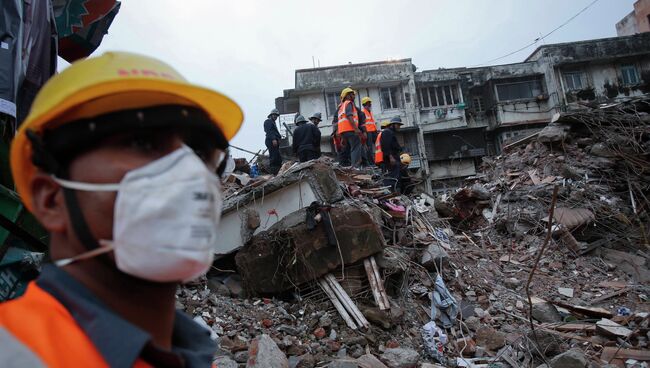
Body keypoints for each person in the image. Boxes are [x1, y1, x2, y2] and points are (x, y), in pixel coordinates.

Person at [0, 51, 243, 367]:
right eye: (142, 142)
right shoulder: (15, 352)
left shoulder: (196, 356)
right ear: (52, 199)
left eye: (198, 151)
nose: (189, 172)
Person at [335, 87, 363, 168]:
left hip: (344, 132)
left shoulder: (341, 107)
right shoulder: (349, 103)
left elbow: (340, 121)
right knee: (355, 148)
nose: (354, 96)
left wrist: (343, 137)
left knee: (351, 148)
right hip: (351, 130)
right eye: (352, 94)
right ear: (347, 96)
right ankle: (355, 167)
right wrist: (356, 129)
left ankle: (351, 166)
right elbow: (349, 116)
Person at [380, 116, 404, 191]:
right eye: (398, 125)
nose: (399, 127)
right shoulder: (387, 132)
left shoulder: (391, 133)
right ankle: (390, 192)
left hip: (394, 158)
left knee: (396, 177)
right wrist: (390, 157)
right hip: (390, 160)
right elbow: (386, 146)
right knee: (391, 178)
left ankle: (394, 192)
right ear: (393, 124)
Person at [264, 108, 282, 174]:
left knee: (277, 157)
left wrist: (278, 139)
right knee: (274, 157)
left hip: (274, 141)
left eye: (276, 115)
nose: (276, 117)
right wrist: (273, 139)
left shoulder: (273, 122)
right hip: (271, 141)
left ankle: (278, 171)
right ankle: (274, 173)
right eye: (274, 115)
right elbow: (269, 131)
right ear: (271, 115)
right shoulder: (268, 121)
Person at [361, 97, 378, 164]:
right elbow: (363, 124)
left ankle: (378, 159)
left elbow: (372, 123)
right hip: (368, 132)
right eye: (368, 104)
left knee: (378, 145)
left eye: (370, 104)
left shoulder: (369, 112)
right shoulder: (363, 113)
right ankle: (371, 162)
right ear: (364, 105)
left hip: (373, 131)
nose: (370, 106)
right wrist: (364, 132)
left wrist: (376, 130)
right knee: (369, 147)